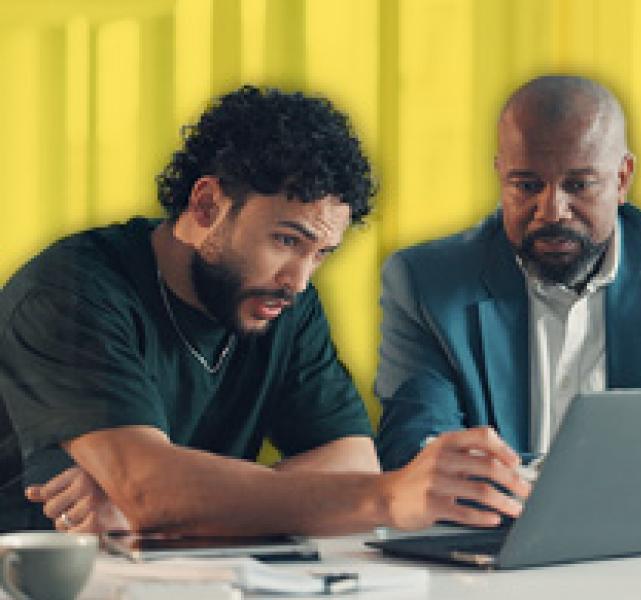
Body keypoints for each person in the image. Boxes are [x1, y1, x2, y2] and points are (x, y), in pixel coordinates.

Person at [0, 86, 530, 535]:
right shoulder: (71, 292)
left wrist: (182, 500)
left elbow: (352, 460)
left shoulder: (279, 302)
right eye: (285, 240)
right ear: (206, 205)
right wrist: (158, 493)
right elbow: (149, 491)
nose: (298, 281)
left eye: (321, 254)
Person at [375, 75, 641, 522]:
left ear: (622, 179)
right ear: (501, 176)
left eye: (579, 185)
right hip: (492, 545)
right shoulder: (426, 283)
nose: (551, 211)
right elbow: (415, 452)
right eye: (526, 185)